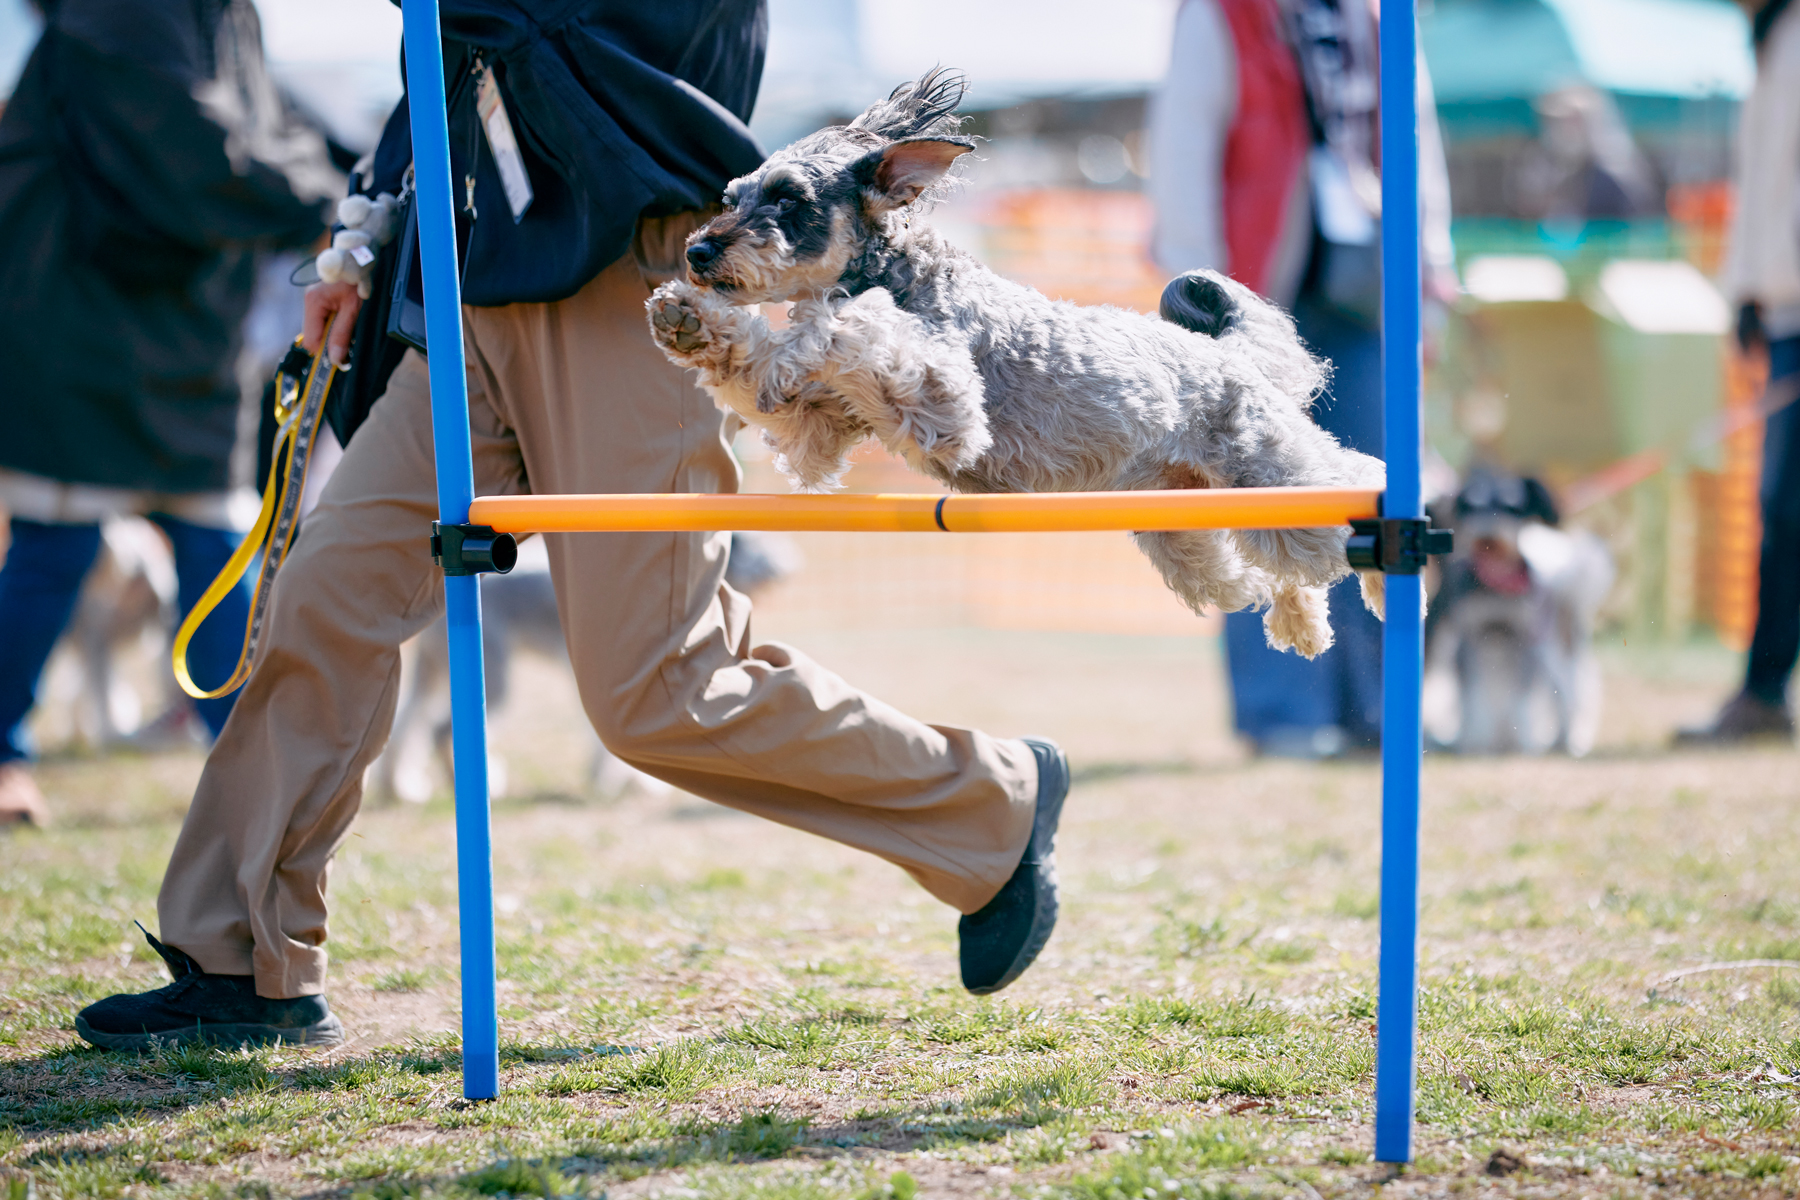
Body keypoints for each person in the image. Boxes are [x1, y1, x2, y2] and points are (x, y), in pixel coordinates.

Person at [74, 1, 1068, 1050]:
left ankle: (989, 802)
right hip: (467, 292)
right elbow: (441, 61)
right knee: (322, 601)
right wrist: (359, 244)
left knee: (655, 691)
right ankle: (242, 961)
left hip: (636, 280)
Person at [0, 0, 337, 825]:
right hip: (81, 310)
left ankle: (250, 764)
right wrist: (318, 197)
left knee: (219, 543)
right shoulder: (112, 12)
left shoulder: (229, 11)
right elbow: (187, 139)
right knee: (56, 541)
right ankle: (3, 756)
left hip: (193, 325)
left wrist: (341, 190)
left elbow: (275, 119)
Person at [1145, 0, 1454, 757]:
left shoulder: (1381, 16)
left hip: (1365, 291)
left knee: (1381, 497)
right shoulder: (1221, 13)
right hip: (1256, 291)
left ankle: (1386, 709)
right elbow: (1184, 145)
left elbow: (1416, 142)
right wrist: (1199, 299)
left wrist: (1433, 279)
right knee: (1258, 499)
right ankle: (1285, 713)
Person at [1677, 0, 1800, 745]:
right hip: (1784, 311)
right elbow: (1768, 192)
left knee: (1787, 513)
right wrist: (1747, 289)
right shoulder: (1773, 39)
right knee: (1781, 515)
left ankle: (1761, 691)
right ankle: (1763, 691)